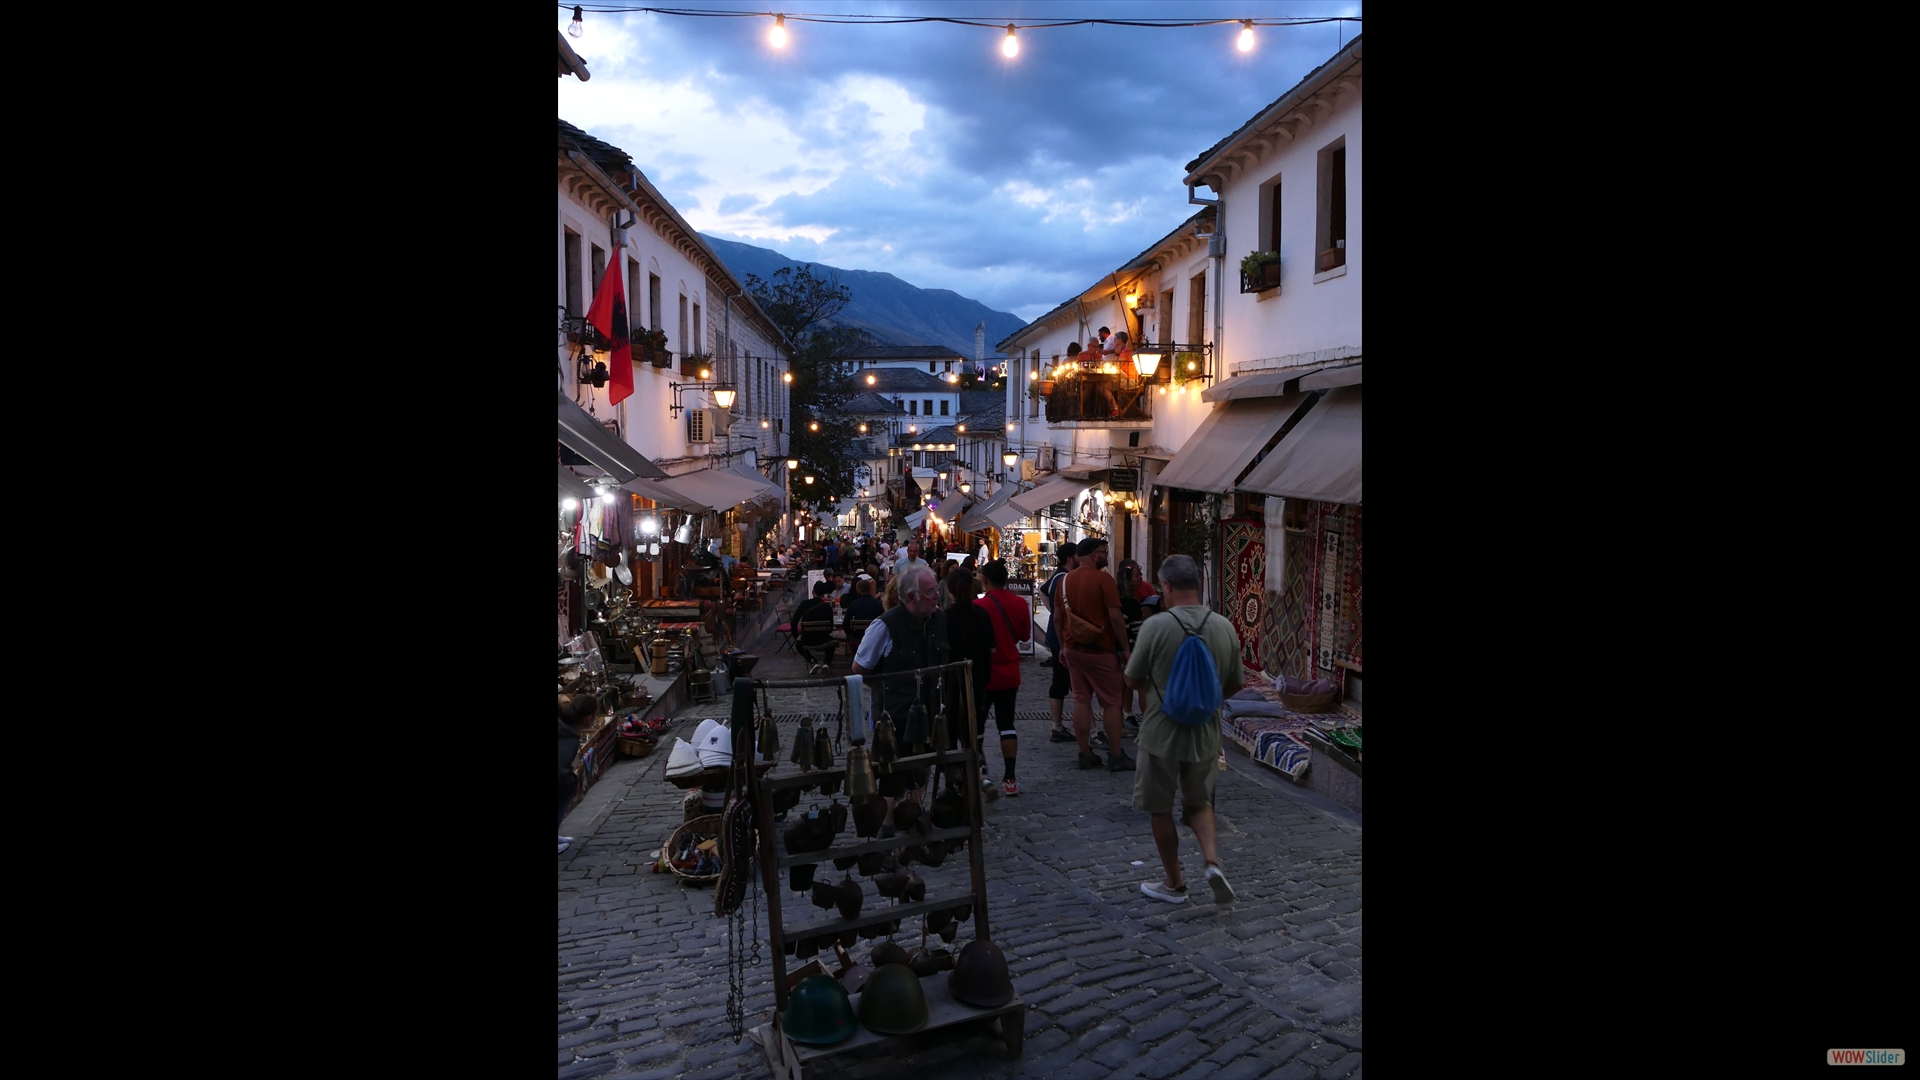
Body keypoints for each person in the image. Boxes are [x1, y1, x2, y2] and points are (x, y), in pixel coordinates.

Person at [1124, 554, 1243, 905]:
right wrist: (1207, 699)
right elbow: (1235, 682)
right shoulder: (1224, 627)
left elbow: (1132, 679)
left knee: (1159, 807)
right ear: (1197, 584)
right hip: (1205, 732)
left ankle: (1174, 883)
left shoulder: (1156, 627)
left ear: (1166, 586)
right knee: (1201, 802)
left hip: (1161, 730)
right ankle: (1211, 860)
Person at [852, 563, 949, 806]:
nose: (936, 595)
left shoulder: (939, 620)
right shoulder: (885, 625)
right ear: (911, 598)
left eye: (936, 590)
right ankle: (888, 826)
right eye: (930, 592)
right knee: (892, 777)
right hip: (894, 716)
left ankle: (913, 821)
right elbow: (859, 668)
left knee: (921, 771)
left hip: (930, 714)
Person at [1061, 537, 1134, 772]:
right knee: (1112, 702)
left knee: (1081, 699)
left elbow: (1057, 617)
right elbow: (1115, 617)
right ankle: (1116, 754)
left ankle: (1084, 753)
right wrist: (1125, 647)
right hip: (1100, 650)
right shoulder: (1104, 580)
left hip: (1073, 648)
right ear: (1094, 555)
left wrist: (1062, 645)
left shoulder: (1065, 581)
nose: (1107, 555)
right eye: (1104, 551)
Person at [941, 565, 999, 800]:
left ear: (949, 589)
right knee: (974, 731)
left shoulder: (944, 618)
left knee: (952, 732)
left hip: (951, 685)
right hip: (978, 681)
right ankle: (981, 775)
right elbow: (992, 648)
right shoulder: (981, 614)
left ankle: (957, 779)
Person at [978, 559, 1031, 796]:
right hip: (1010, 673)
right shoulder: (1020, 603)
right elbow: (1023, 635)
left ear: (985, 580)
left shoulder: (979, 607)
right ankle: (1010, 779)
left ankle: (983, 773)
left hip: (985, 674)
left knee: (977, 725)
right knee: (1007, 724)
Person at [1041, 543, 1077, 743]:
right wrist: (1056, 613)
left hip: (1056, 638)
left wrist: (1052, 610)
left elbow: (1042, 590)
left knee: (1061, 681)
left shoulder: (1056, 576)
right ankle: (1091, 730)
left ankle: (1057, 726)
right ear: (1071, 558)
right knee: (1074, 684)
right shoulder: (1064, 578)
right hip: (1063, 637)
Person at [558, 698, 589, 854]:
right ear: (589, 718)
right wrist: (574, 783)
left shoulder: (564, 728)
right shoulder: (567, 736)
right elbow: (561, 771)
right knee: (566, 788)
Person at [792, 580, 840, 675]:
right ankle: (827, 662)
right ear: (824, 595)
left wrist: (797, 636)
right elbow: (830, 628)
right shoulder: (827, 608)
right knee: (832, 642)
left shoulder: (804, 604)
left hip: (808, 639)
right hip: (823, 639)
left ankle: (812, 661)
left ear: (813, 592)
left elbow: (794, 621)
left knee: (798, 644)